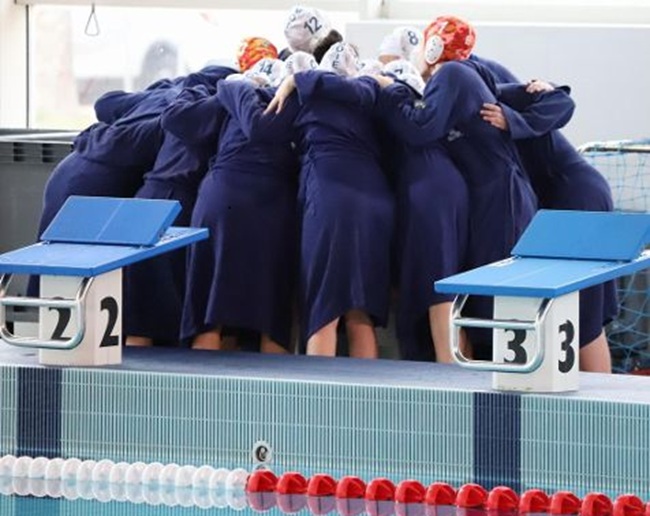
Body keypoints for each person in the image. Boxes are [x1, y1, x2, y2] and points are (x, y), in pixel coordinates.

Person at [374, 16, 541, 361]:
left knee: (500, 300)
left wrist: (390, 91)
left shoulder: (451, 74)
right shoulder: (463, 75)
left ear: (434, 46)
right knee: (481, 300)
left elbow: (421, 128)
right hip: (486, 192)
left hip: (500, 195)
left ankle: (510, 378)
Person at [479, 74, 616, 372]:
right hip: (557, 206)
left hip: (578, 199)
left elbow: (561, 100)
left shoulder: (496, 94)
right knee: (571, 312)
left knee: (585, 315)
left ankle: (604, 396)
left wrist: (513, 120)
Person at [266, 42, 395, 358]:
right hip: (374, 199)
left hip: (331, 195)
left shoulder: (311, 97)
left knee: (324, 310)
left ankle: (316, 392)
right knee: (359, 312)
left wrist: (294, 79)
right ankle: (366, 390)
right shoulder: (370, 94)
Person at [180, 55, 301, 354]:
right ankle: (276, 387)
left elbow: (178, 119)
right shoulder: (298, 102)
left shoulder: (234, 91)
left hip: (222, 196)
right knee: (272, 315)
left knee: (210, 312)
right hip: (272, 201)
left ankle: (201, 384)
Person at [122, 65, 237, 348]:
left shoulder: (181, 108)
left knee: (139, 316)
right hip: (179, 204)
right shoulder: (229, 113)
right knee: (187, 318)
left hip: (144, 198)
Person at [378, 58, 470, 362]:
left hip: (427, 190)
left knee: (438, 285)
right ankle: (458, 366)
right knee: (445, 282)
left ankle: (450, 371)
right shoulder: (428, 110)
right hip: (447, 186)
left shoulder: (398, 108)